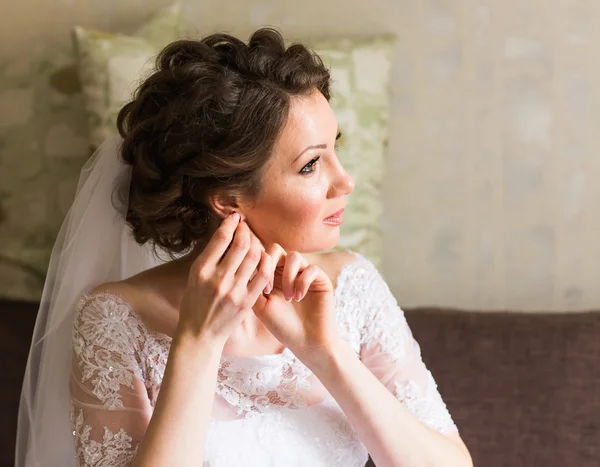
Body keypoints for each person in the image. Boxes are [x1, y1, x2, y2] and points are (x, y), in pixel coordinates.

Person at [16, 28, 472, 467]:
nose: (346, 181)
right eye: (312, 164)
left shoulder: (352, 286)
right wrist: (198, 340)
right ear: (229, 200)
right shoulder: (114, 319)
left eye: (336, 149)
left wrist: (325, 352)